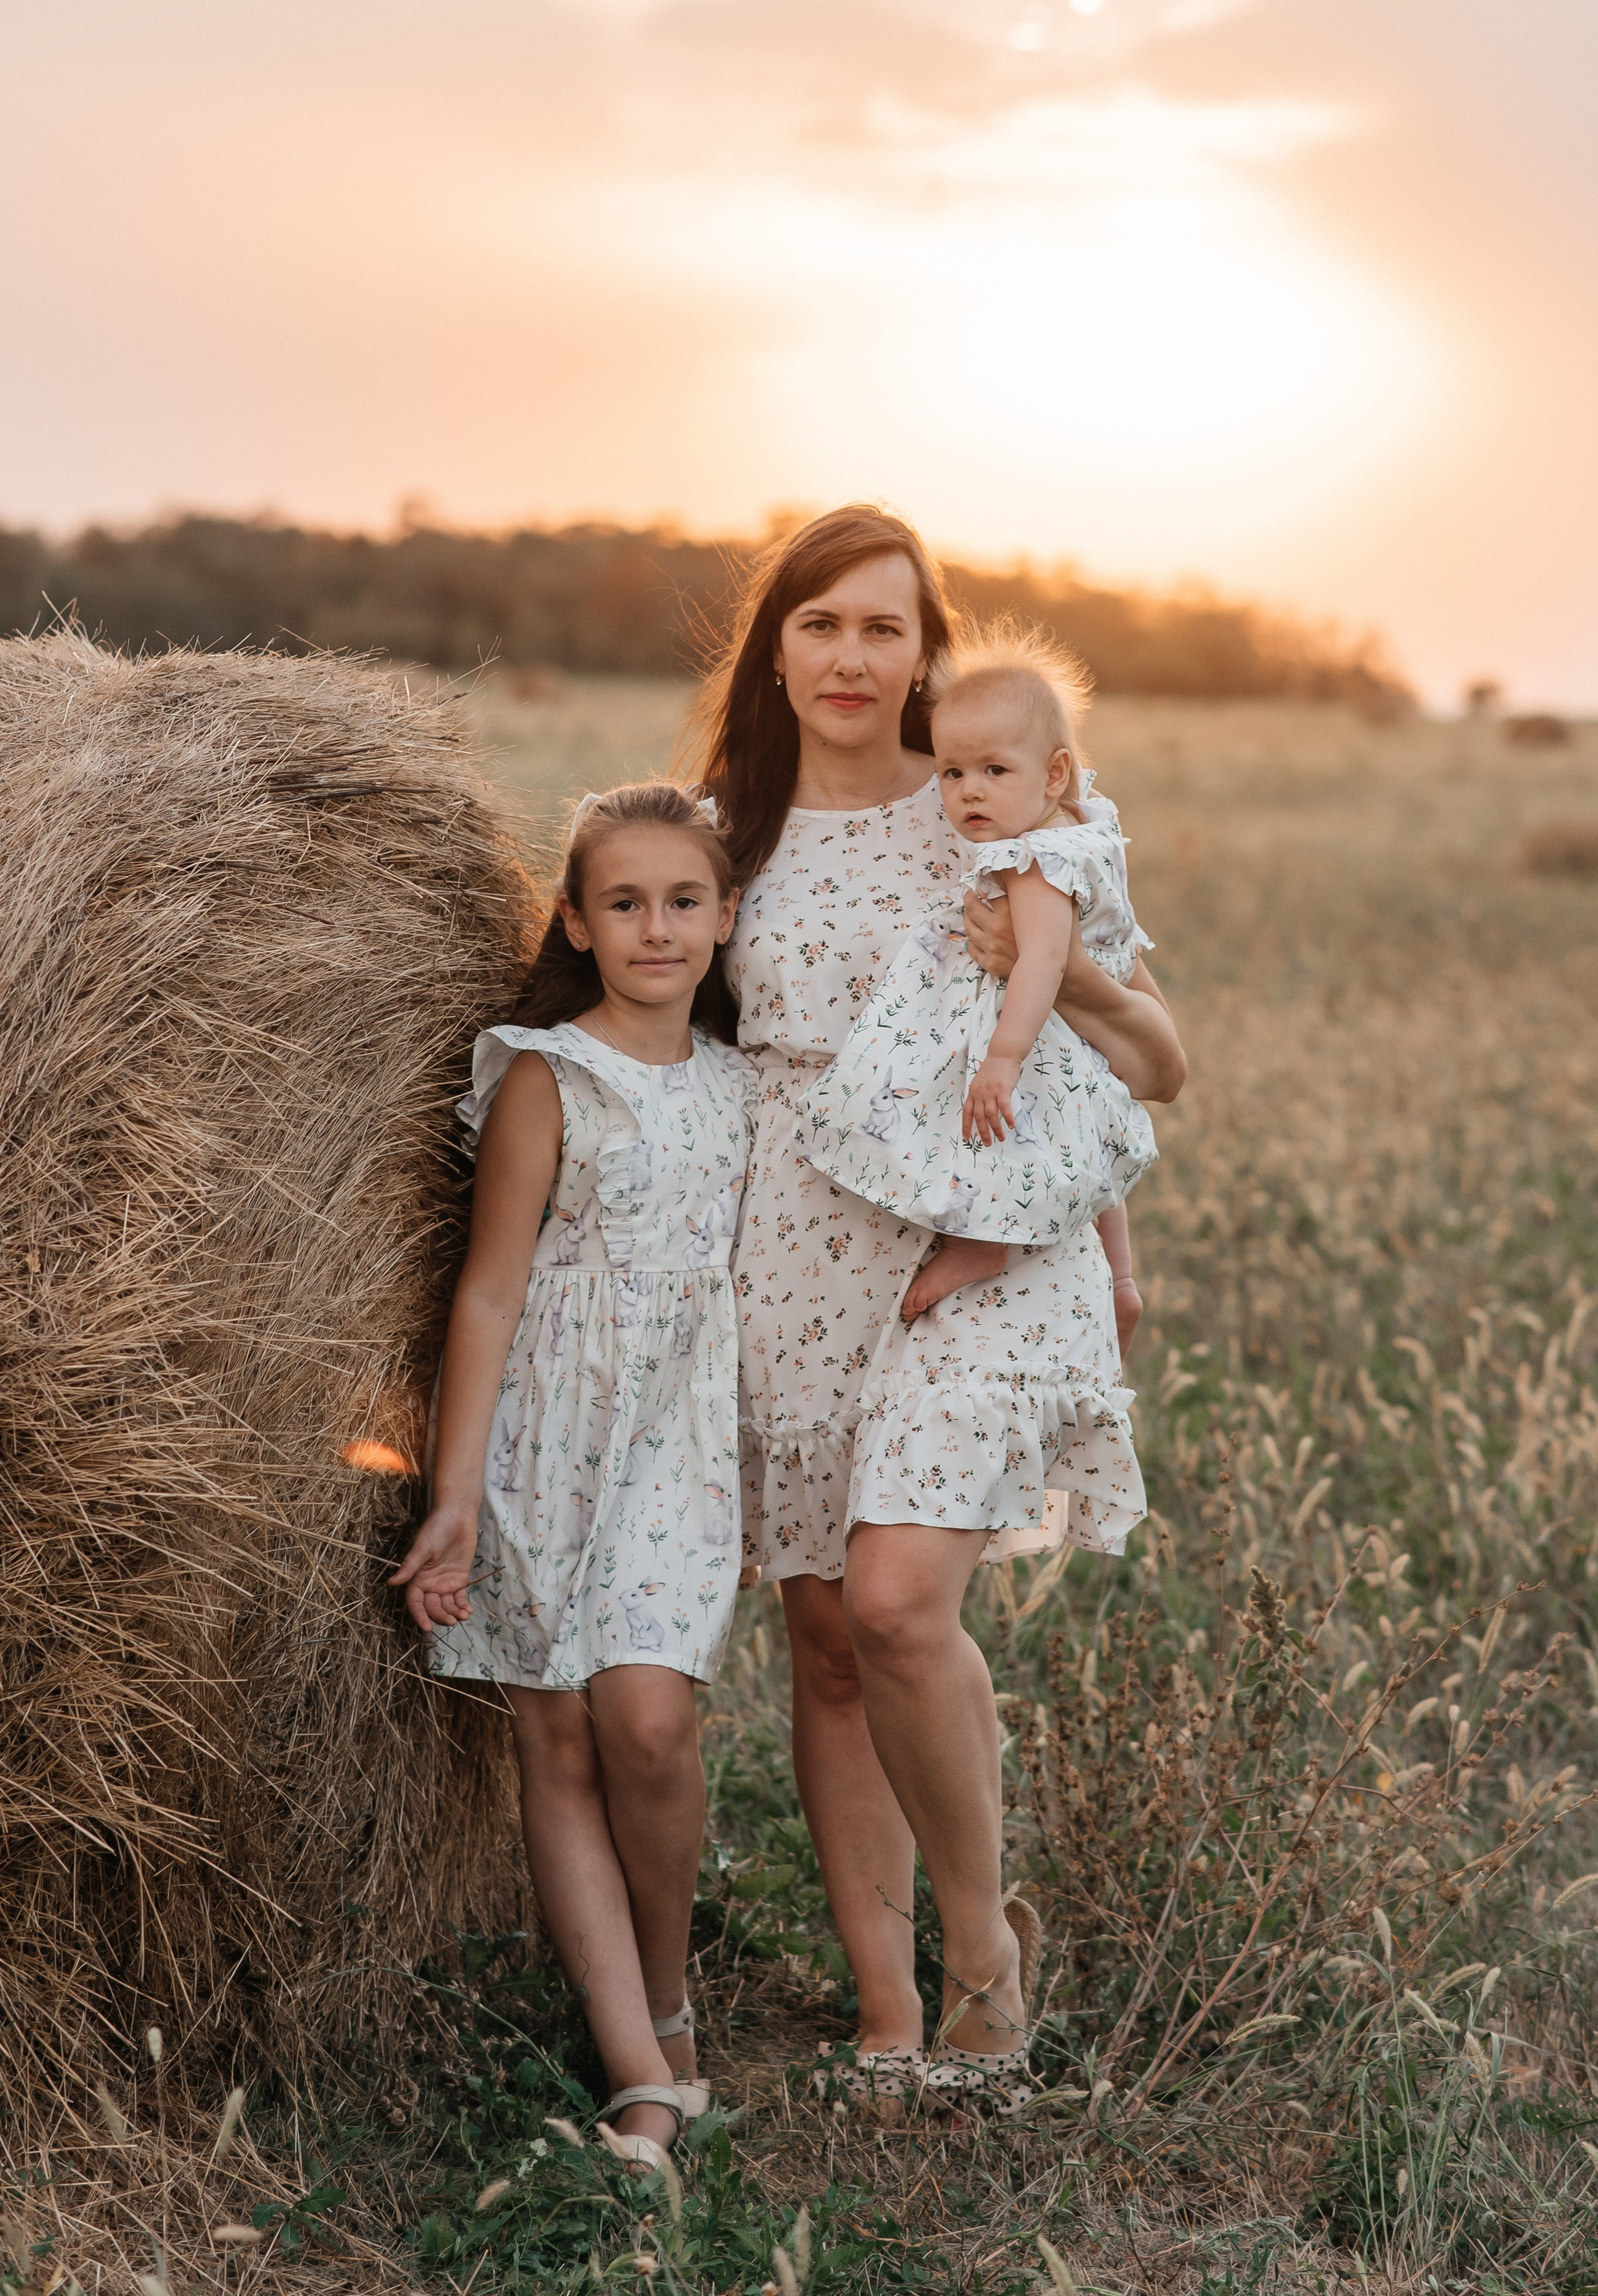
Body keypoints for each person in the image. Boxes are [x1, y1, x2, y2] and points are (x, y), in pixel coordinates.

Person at [694, 506, 1185, 2111]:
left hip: (982, 1238)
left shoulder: (988, 804)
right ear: (777, 643)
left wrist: (1100, 1222)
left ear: (926, 654)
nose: (848, 655)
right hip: (788, 1250)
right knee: (829, 1639)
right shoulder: (723, 833)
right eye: (819, 622)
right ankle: (889, 2009)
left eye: (881, 628)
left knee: (900, 1604)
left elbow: (1145, 1055)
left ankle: (984, 1956)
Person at [390, 782, 751, 2167]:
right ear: (575, 922)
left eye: (679, 900)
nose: (653, 928)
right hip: (545, 1435)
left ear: (721, 917)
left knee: (649, 1724)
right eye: (621, 902)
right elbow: (485, 1295)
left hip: (675, 1443)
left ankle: (663, 1997)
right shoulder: (546, 1073)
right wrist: (455, 1491)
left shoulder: (740, 1087)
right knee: (555, 1734)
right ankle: (638, 2078)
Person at [800, 621, 1156, 1348]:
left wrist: (1001, 1057)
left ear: (1053, 773)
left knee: (982, 1115)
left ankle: (979, 1238)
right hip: (1077, 1057)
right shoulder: (1085, 826)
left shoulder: (1033, 859)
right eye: (952, 772)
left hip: (1033, 1035)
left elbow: (1043, 961)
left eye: (994, 771)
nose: (968, 792)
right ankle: (1119, 1281)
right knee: (1083, 1147)